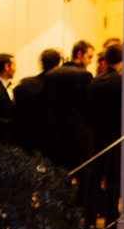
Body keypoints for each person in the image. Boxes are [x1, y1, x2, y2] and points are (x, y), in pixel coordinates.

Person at [41, 40, 96, 183]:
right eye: (89, 57)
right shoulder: (84, 76)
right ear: (80, 54)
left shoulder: (50, 76)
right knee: (84, 180)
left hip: (55, 137)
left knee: (59, 181)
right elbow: (88, 107)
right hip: (79, 138)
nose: (90, 61)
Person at [87, 42, 124, 227]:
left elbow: (88, 110)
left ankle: (89, 218)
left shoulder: (95, 82)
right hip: (117, 137)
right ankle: (111, 218)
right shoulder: (123, 82)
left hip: (97, 137)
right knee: (113, 179)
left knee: (94, 177)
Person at [13, 48, 60, 155]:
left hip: (26, 137)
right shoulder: (56, 87)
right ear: (57, 65)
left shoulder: (25, 84)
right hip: (48, 139)